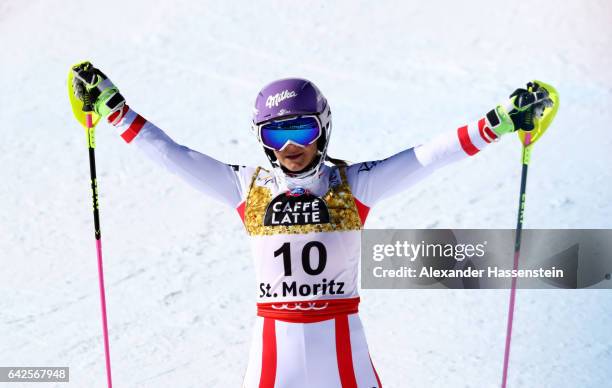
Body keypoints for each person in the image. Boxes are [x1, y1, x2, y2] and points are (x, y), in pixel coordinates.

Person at [71, 62, 553, 388]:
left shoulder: (354, 184)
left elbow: (427, 157)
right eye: (274, 132)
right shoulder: (248, 187)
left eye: (300, 129)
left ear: (322, 127)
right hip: (272, 356)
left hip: (344, 349)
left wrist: (498, 122)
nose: (289, 145)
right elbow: (173, 156)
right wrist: (112, 107)